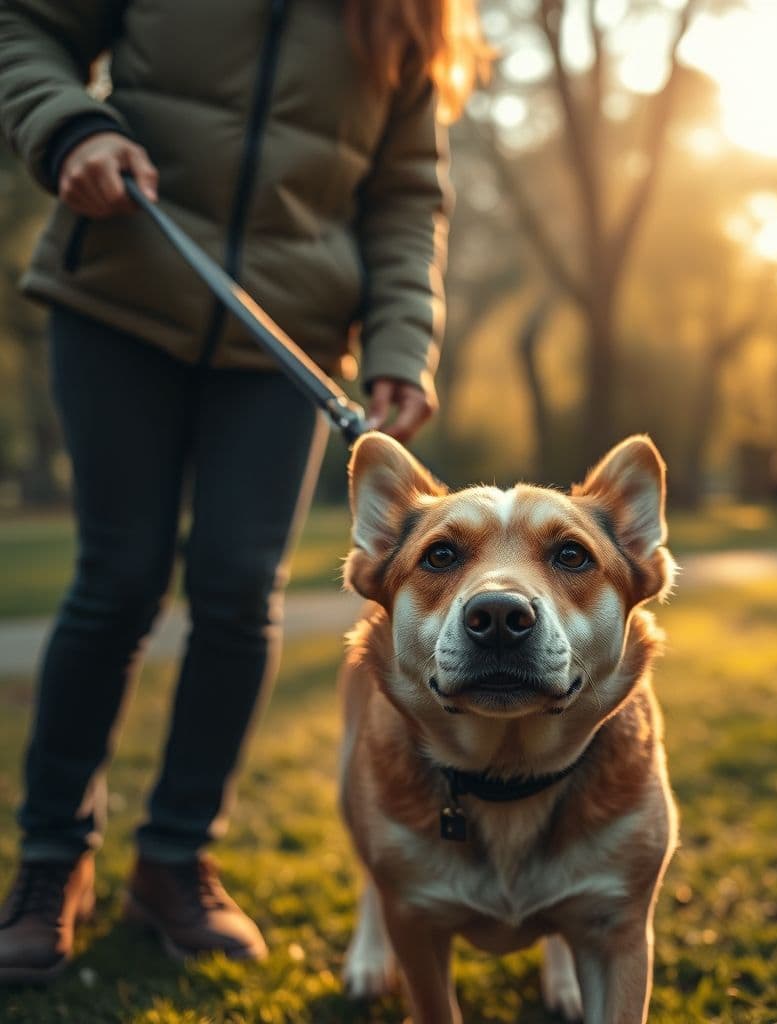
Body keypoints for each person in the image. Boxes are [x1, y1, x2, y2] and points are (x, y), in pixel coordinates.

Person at [0, 0, 484, 982]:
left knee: (236, 586)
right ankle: (52, 862)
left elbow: (404, 194)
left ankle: (174, 859)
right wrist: (70, 125)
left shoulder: (407, 14)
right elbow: (24, 26)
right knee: (119, 576)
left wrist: (400, 343)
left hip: (284, 340)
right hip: (124, 289)